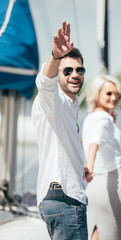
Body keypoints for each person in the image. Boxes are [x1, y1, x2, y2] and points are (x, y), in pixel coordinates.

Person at [32, 21, 92, 240]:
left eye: (79, 69)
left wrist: (79, 165)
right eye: (67, 70)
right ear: (58, 74)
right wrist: (55, 56)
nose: (74, 74)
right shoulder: (53, 101)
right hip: (65, 198)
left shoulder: (70, 104)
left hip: (58, 195)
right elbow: (44, 84)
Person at [82, 75, 121, 240]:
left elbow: (99, 141)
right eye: (108, 93)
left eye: (117, 94)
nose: (114, 98)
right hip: (111, 183)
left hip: (93, 187)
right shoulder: (104, 119)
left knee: (95, 233)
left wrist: (112, 125)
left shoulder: (90, 117)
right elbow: (95, 141)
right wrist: (90, 166)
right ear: (97, 94)